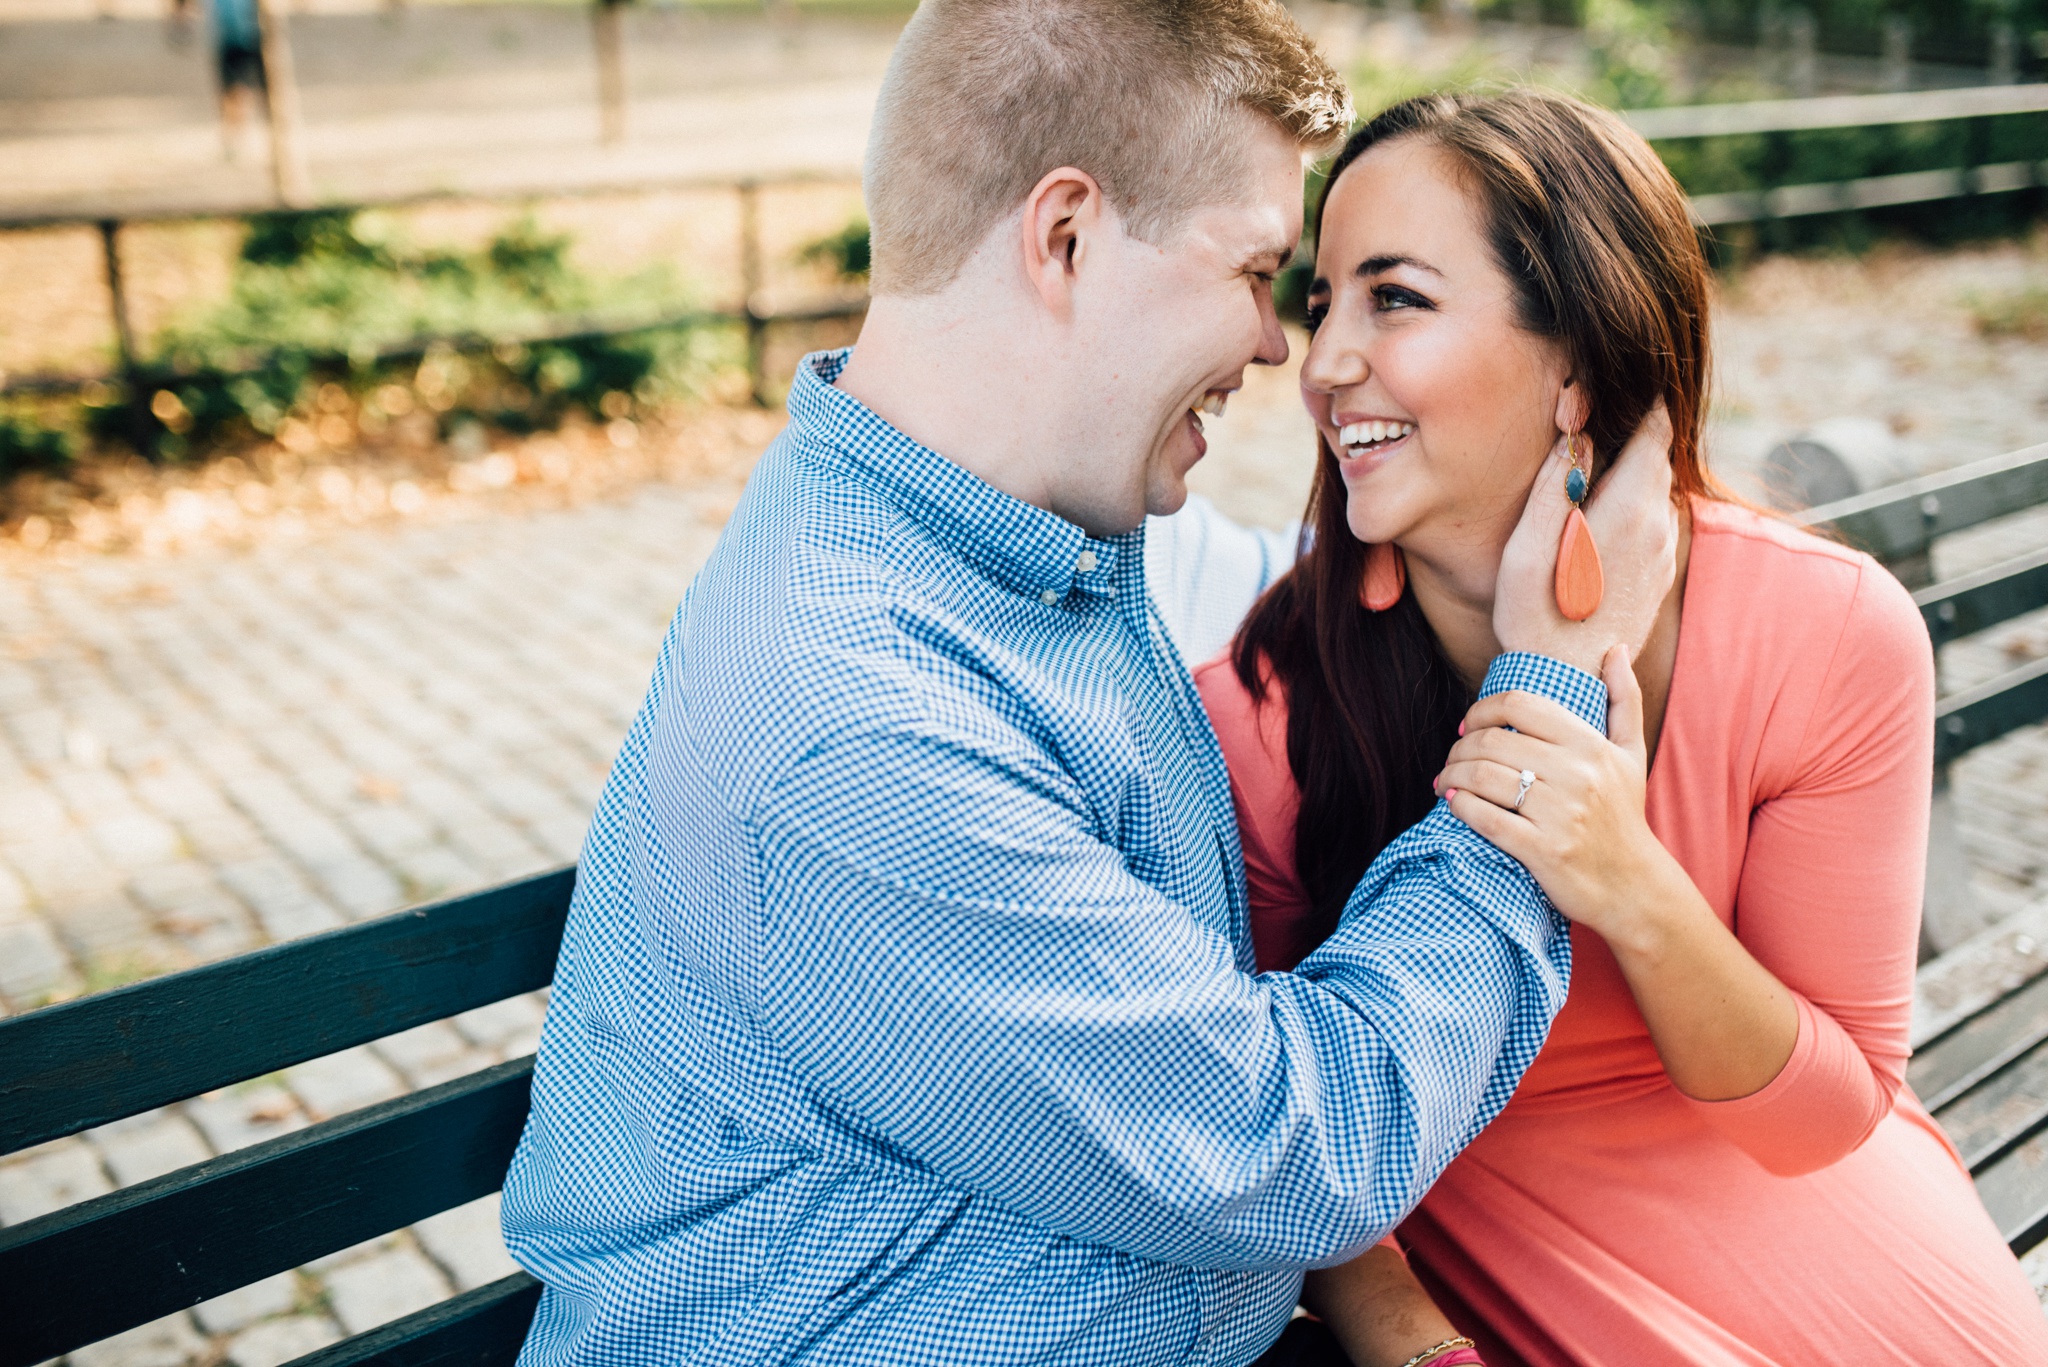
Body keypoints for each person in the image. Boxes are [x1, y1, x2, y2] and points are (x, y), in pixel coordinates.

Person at [498, 5, 1681, 1365]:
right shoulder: (859, 720)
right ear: (1064, 238)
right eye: (1256, 272)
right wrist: (1546, 699)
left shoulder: (1021, 544)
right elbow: (1290, 1145)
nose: (1274, 348)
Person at [1195, 88, 2048, 1366]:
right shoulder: (1256, 716)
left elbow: (1818, 1119)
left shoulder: (1823, 631)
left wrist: (1626, 878)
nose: (1319, 363)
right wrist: (1414, 1343)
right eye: (1324, 300)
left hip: (1826, 1238)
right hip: (1487, 1269)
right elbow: (1267, 1150)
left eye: (1396, 298)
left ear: (1574, 362)